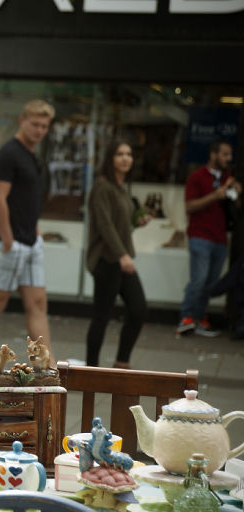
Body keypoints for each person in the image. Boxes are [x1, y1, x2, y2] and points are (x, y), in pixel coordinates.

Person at [0, 100, 55, 360]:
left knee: (38, 304)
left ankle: (48, 367)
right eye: (35, 124)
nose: (40, 130)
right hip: (7, 243)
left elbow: (26, 199)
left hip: (30, 242)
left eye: (44, 126)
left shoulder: (31, 155)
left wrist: (35, 229)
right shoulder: (7, 154)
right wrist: (7, 239)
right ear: (22, 121)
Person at [85, 141, 150, 368]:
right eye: (120, 154)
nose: (125, 158)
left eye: (129, 154)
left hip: (121, 259)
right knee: (102, 317)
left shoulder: (121, 187)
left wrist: (137, 221)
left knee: (138, 309)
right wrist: (123, 255)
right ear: (110, 158)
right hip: (107, 259)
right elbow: (105, 225)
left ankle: (122, 363)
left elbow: (119, 223)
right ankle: (91, 368)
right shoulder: (103, 187)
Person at [176, 140, 242, 337]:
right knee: (199, 279)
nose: (228, 159)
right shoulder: (197, 177)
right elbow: (189, 207)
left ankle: (198, 319)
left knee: (211, 282)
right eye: (225, 154)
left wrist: (235, 194)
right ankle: (186, 319)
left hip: (220, 238)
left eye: (230, 155)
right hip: (200, 236)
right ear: (213, 155)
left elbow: (235, 209)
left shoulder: (227, 179)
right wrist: (215, 195)